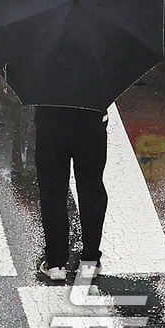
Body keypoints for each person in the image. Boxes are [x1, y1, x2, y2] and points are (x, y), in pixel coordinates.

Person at [35, 104, 108, 282]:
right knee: (91, 189)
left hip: (51, 123)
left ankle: (55, 263)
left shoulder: (43, 83)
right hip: (91, 122)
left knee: (53, 191)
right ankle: (90, 261)